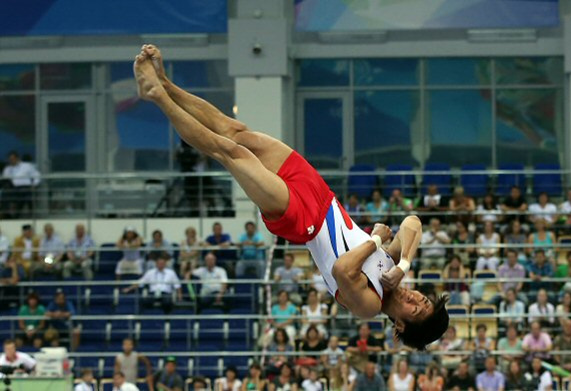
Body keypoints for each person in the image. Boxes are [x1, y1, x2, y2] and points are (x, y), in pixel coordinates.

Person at [135, 45, 448, 347]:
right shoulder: (392, 267)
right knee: (235, 131)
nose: (413, 298)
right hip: (319, 193)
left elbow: (342, 270)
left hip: (302, 221)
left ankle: (157, 97)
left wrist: (377, 240)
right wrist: (403, 263)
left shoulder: (369, 304)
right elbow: (412, 222)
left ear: (401, 326)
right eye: (422, 298)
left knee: (230, 153)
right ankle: (166, 83)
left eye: (416, 309)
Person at [2, 150, 40, 218]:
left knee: (28, 196)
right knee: (5, 195)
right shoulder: (7, 169)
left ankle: (31, 216)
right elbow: (5, 179)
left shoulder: (27, 166)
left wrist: (34, 185)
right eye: (10, 159)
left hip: (27, 187)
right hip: (14, 188)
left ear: (17, 158)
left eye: (12, 159)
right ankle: (7, 215)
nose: (11, 161)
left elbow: (37, 175)